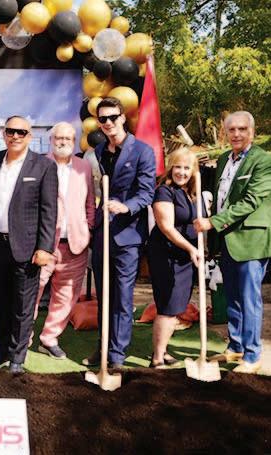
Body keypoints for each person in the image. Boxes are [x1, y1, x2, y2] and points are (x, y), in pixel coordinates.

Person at [0, 115, 58, 375]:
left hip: (28, 248)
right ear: (3, 133)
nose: (15, 136)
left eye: (21, 132)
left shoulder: (44, 166)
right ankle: (1, 352)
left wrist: (45, 248)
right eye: (11, 131)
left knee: (23, 306)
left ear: (30, 136)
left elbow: (49, 210)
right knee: (1, 303)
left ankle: (17, 358)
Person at [194, 111, 271, 374]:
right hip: (226, 239)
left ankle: (252, 355)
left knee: (249, 299)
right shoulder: (224, 158)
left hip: (251, 240)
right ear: (225, 133)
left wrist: (213, 222)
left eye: (242, 129)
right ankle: (236, 346)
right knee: (232, 297)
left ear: (252, 131)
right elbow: (221, 198)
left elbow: (251, 201)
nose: (236, 134)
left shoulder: (263, 160)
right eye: (232, 130)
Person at [84, 97, 156, 369]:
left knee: (123, 298)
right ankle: (103, 346)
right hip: (103, 232)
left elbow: (147, 193)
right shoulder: (100, 150)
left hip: (128, 235)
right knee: (104, 295)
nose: (108, 123)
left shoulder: (143, 151)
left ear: (123, 118)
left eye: (113, 117)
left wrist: (126, 207)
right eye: (103, 119)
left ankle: (116, 355)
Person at [33, 122, 95, 360]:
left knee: (66, 295)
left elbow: (90, 202)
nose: (62, 142)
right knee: (32, 292)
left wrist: (88, 229)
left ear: (74, 141)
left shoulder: (83, 167)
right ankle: (22, 338)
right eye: (58, 138)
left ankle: (49, 339)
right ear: (51, 141)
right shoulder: (39, 165)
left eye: (68, 139)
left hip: (75, 244)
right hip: (43, 244)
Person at [147, 148, 203, 368]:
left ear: (193, 170)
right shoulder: (164, 191)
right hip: (167, 254)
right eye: (177, 167)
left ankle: (162, 350)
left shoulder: (193, 192)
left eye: (186, 168)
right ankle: (157, 358)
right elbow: (167, 227)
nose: (181, 172)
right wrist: (191, 248)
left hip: (186, 256)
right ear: (171, 168)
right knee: (168, 306)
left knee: (177, 305)